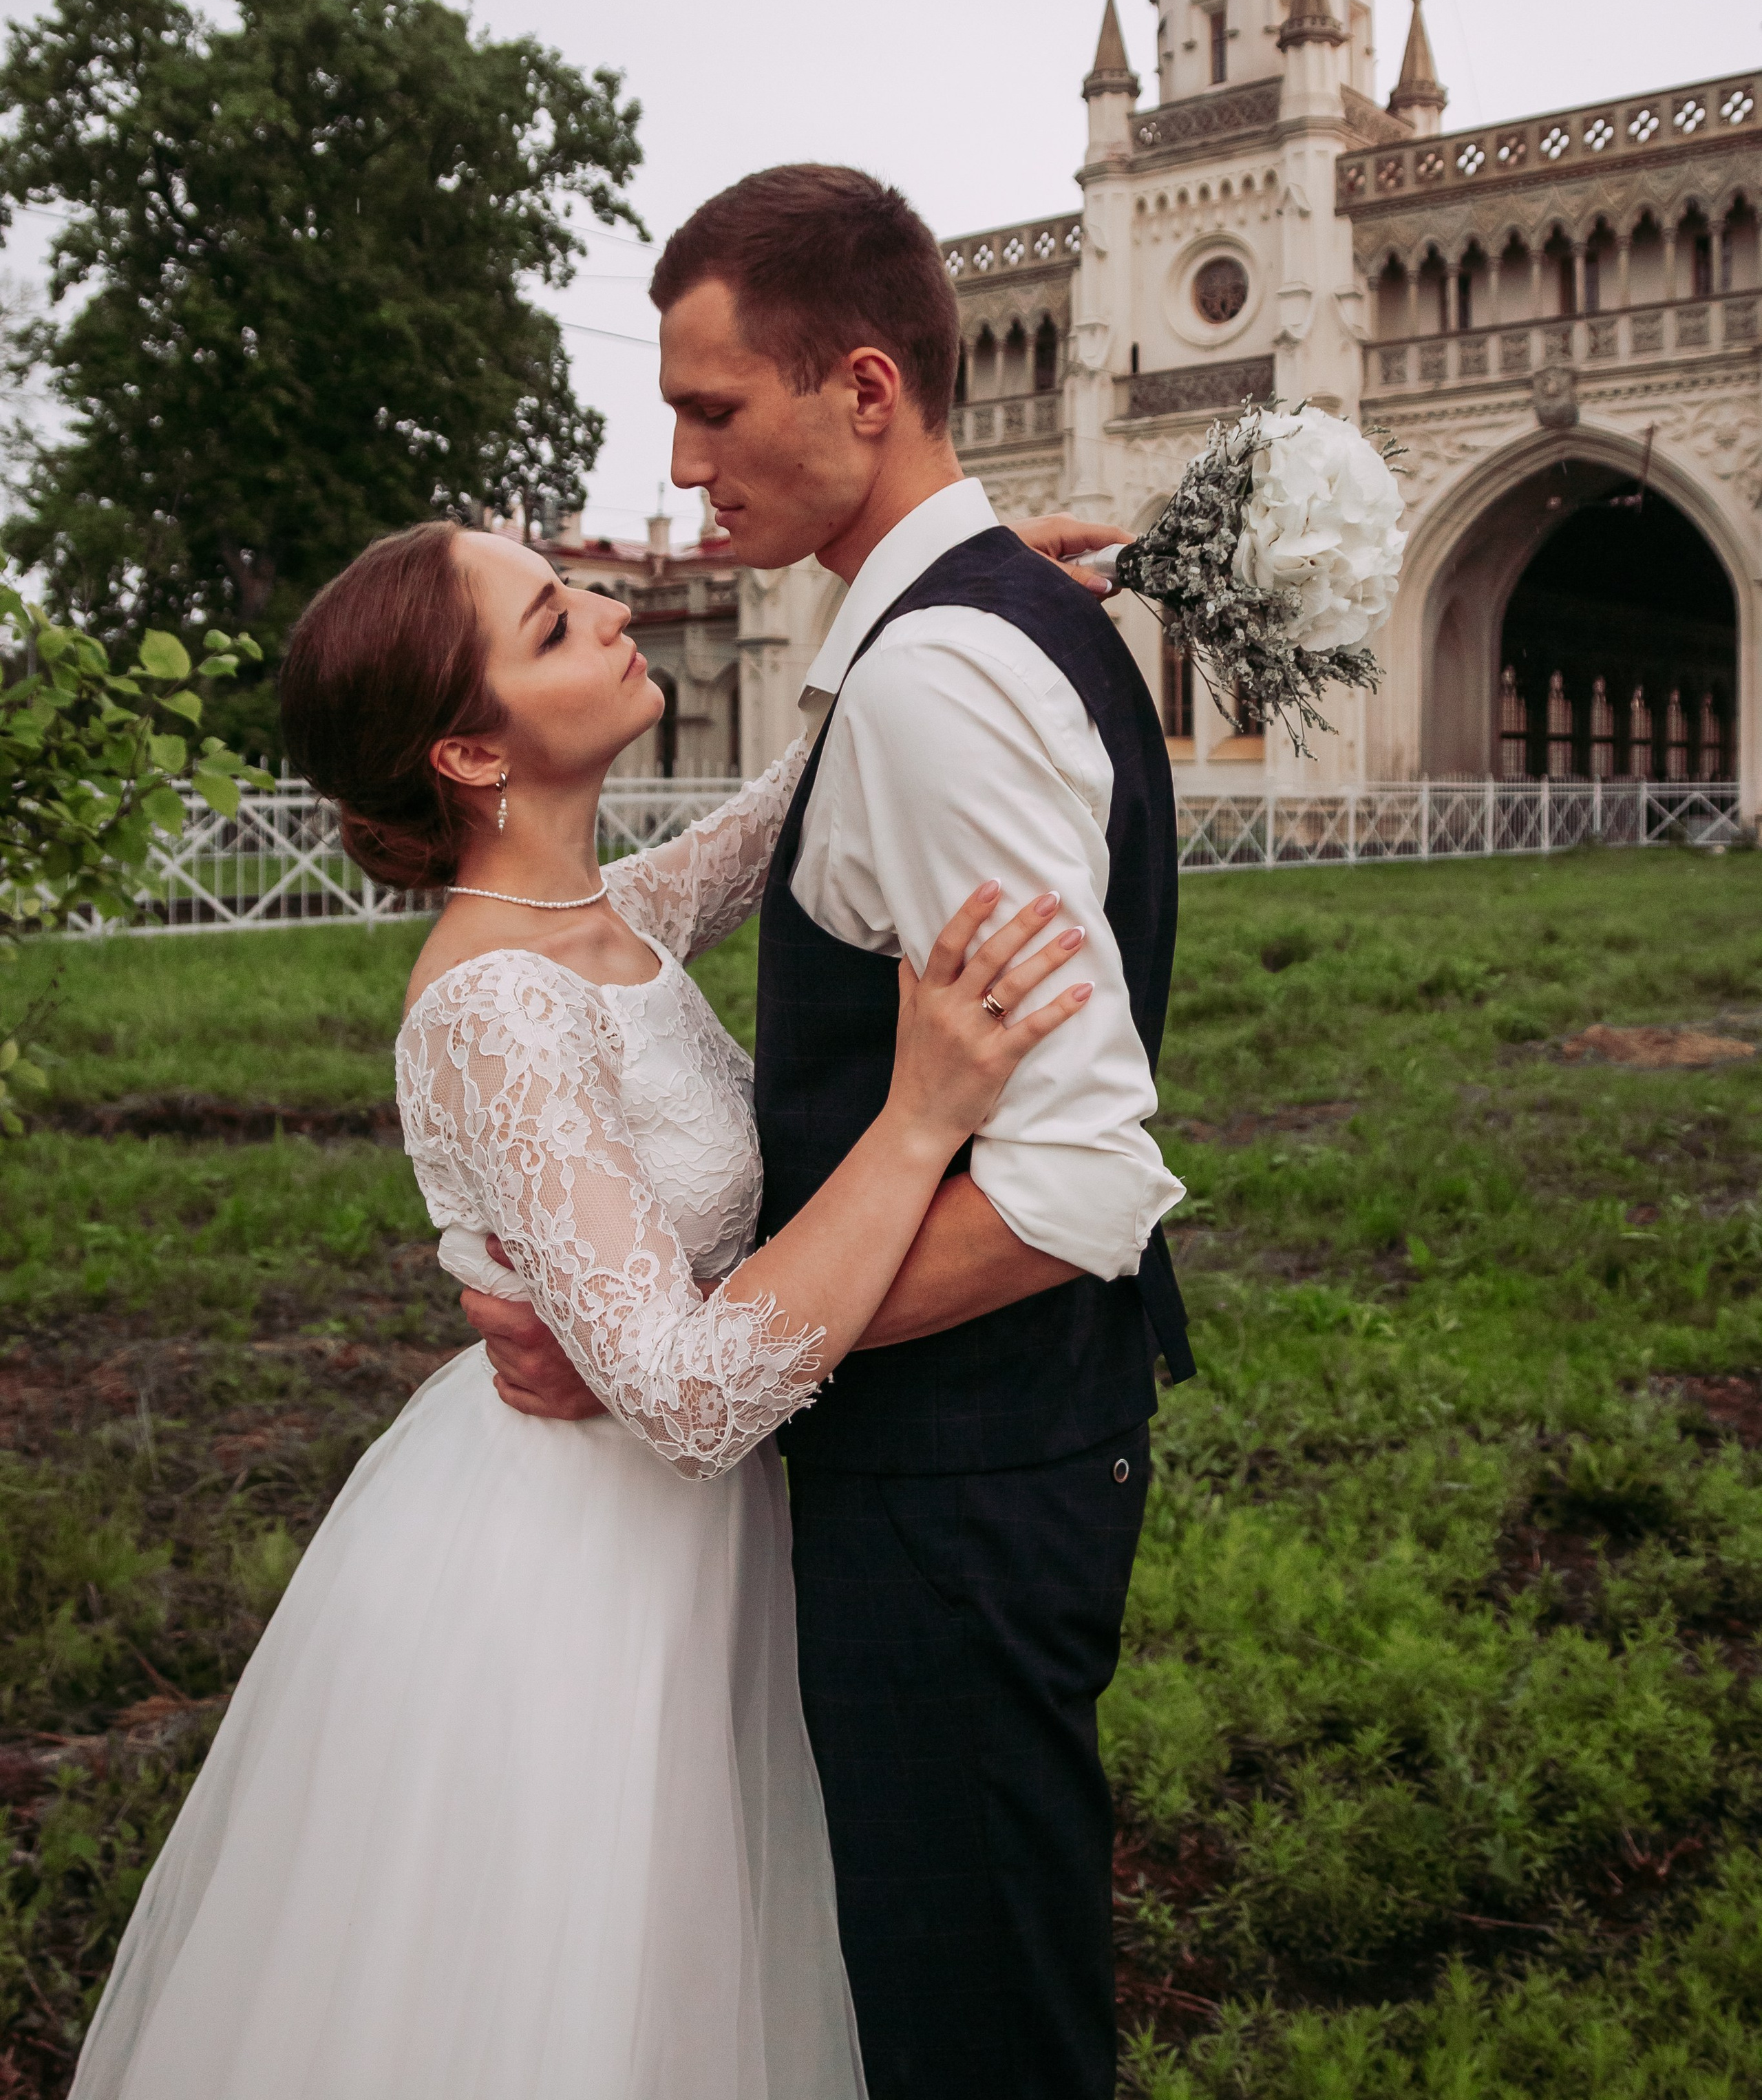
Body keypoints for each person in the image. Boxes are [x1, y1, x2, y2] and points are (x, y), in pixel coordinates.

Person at [70, 514, 1092, 2100]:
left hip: (699, 1556)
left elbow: (789, 805)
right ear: (473, 753)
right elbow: (683, 1399)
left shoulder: (596, 917)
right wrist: (919, 1118)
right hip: (579, 1580)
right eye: (554, 625)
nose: (612, 614)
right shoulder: (491, 1006)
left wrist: (963, 570)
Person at [467, 163, 1196, 2100]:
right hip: (971, 1466)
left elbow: (1079, 1182)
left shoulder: (940, 675)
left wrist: (694, 1357)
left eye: (712, 408)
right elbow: (616, 921)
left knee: (983, 2037)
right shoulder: (938, 643)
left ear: (863, 390)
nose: (682, 465)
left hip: (961, 1484)